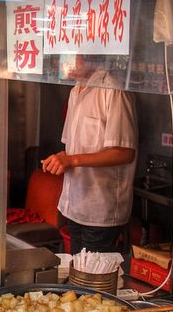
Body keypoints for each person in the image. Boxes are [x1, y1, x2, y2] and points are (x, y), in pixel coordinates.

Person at [41, 57, 138, 254]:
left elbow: (124, 153)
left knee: (94, 279)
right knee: (77, 273)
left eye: (70, 55)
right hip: (74, 204)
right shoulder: (75, 90)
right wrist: (60, 159)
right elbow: (73, 148)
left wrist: (71, 160)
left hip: (100, 209)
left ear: (89, 54)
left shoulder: (113, 90)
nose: (63, 61)